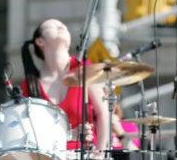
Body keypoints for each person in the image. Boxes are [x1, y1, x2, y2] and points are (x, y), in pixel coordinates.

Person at [21, 18, 110, 158]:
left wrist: (99, 154)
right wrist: (68, 135)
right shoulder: (30, 85)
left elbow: (103, 113)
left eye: (63, 26)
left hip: (85, 155)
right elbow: (29, 132)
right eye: (53, 26)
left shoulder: (83, 67)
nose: (61, 26)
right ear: (40, 41)